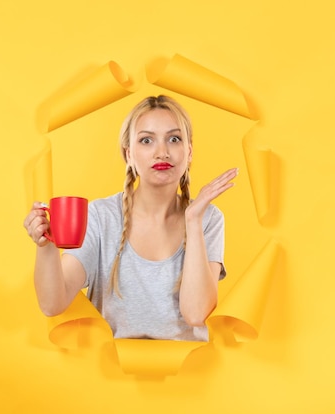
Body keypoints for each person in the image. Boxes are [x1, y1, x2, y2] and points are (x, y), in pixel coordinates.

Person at [23, 95, 238, 341]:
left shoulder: (208, 218)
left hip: (186, 373)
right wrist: (46, 245)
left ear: (188, 152)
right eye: (146, 140)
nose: (162, 152)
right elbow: (52, 304)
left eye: (174, 139)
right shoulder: (100, 217)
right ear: (129, 155)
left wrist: (193, 220)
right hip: (114, 374)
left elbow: (197, 314)